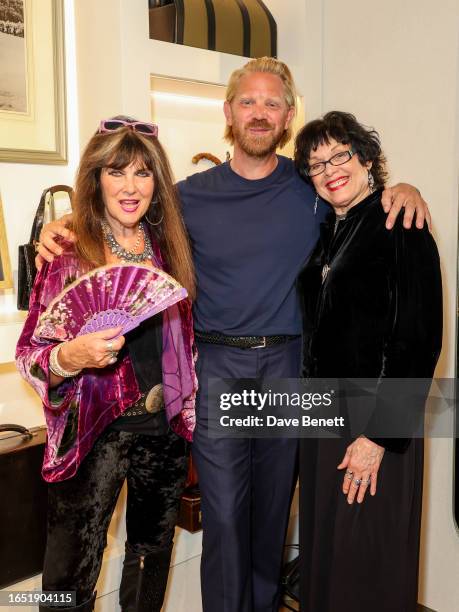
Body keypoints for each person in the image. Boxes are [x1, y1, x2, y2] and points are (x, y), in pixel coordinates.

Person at [36, 58, 429, 612]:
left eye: (273, 103)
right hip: (219, 368)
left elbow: (359, 198)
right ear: (229, 112)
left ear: (289, 115)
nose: (260, 112)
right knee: (223, 517)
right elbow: (122, 216)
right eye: (249, 101)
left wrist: (404, 188)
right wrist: (65, 226)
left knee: (272, 519)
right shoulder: (187, 196)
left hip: (291, 368)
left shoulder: (311, 188)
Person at [16, 117, 197, 612]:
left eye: (142, 173)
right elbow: (30, 354)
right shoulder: (68, 254)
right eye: (116, 172)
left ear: (157, 183)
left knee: (150, 556)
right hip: (93, 432)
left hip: (164, 429)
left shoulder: (170, 249)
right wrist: (68, 357)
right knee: (69, 571)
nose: (130, 187)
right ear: (96, 179)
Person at [294, 111, 442, 612]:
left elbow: (420, 338)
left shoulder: (402, 222)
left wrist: (378, 437)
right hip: (323, 419)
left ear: (367, 159)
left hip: (376, 423)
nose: (330, 168)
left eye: (341, 155)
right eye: (316, 163)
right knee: (327, 556)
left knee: (366, 565)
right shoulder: (326, 235)